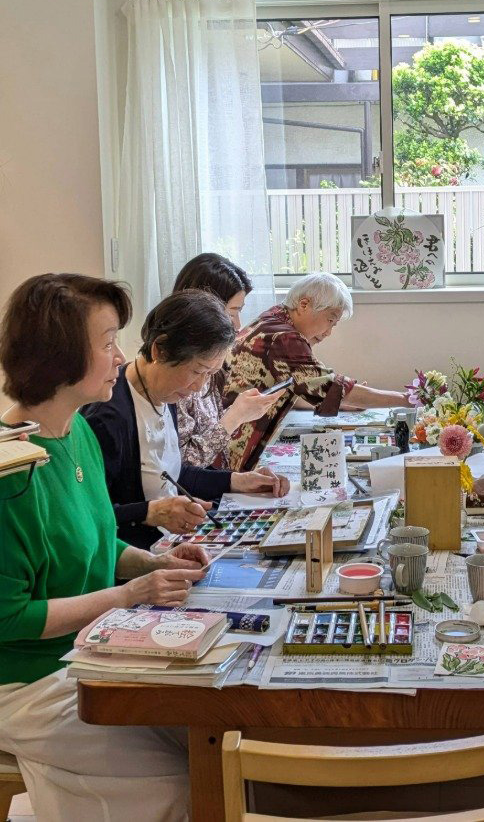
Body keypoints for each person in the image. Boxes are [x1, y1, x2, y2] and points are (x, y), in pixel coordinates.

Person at [0, 273, 205, 821]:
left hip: (89, 654)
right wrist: (132, 594)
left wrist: (153, 562)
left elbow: (96, 541)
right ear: (59, 354)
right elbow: (11, 617)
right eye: (108, 340)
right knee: (189, 776)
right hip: (29, 682)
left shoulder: (75, 433)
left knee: (203, 734)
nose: (120, 356)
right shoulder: (10, 472)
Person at [83, 289, 289, 550]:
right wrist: (149, 512)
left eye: (210, 374)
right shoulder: (108, 417)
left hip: (170, 543)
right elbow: (89, 515)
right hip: (135, 556)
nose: (198, 386)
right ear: (160, 350)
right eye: (197, 371)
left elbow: (172, 473)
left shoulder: (162, 393)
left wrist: (237, 481)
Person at [225, 271, 410, 470]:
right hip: (232, 443)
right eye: (330, 320)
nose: (329, 332)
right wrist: (406, 400)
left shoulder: (274, 318)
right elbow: (329, 385)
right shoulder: (283, 337)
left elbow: (300, 387)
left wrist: (341, 401)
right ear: (304, 305)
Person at [172, 253, 282, 468]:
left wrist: (242, 412)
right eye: (232, 313)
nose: (238, 325)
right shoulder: (177, 370)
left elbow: (208, 427)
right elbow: (182, 465)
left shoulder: (211, 363)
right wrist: (235, 416)